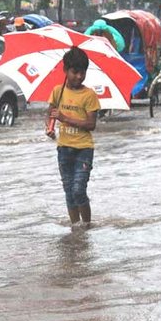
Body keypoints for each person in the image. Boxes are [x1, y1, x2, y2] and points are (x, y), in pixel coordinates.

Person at [45, 47, 101, 230]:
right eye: (75, 72)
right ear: (66, 70)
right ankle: (75, 229)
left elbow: (91, 124)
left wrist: (65, 118)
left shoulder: (89, 95)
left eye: (82, 72)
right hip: (63, 149)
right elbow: (50, 114)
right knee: (69, 192)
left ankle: (86, 226)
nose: (79, 76)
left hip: (83, 149)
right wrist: (49, 127)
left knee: (78, 190)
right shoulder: (57, 92)